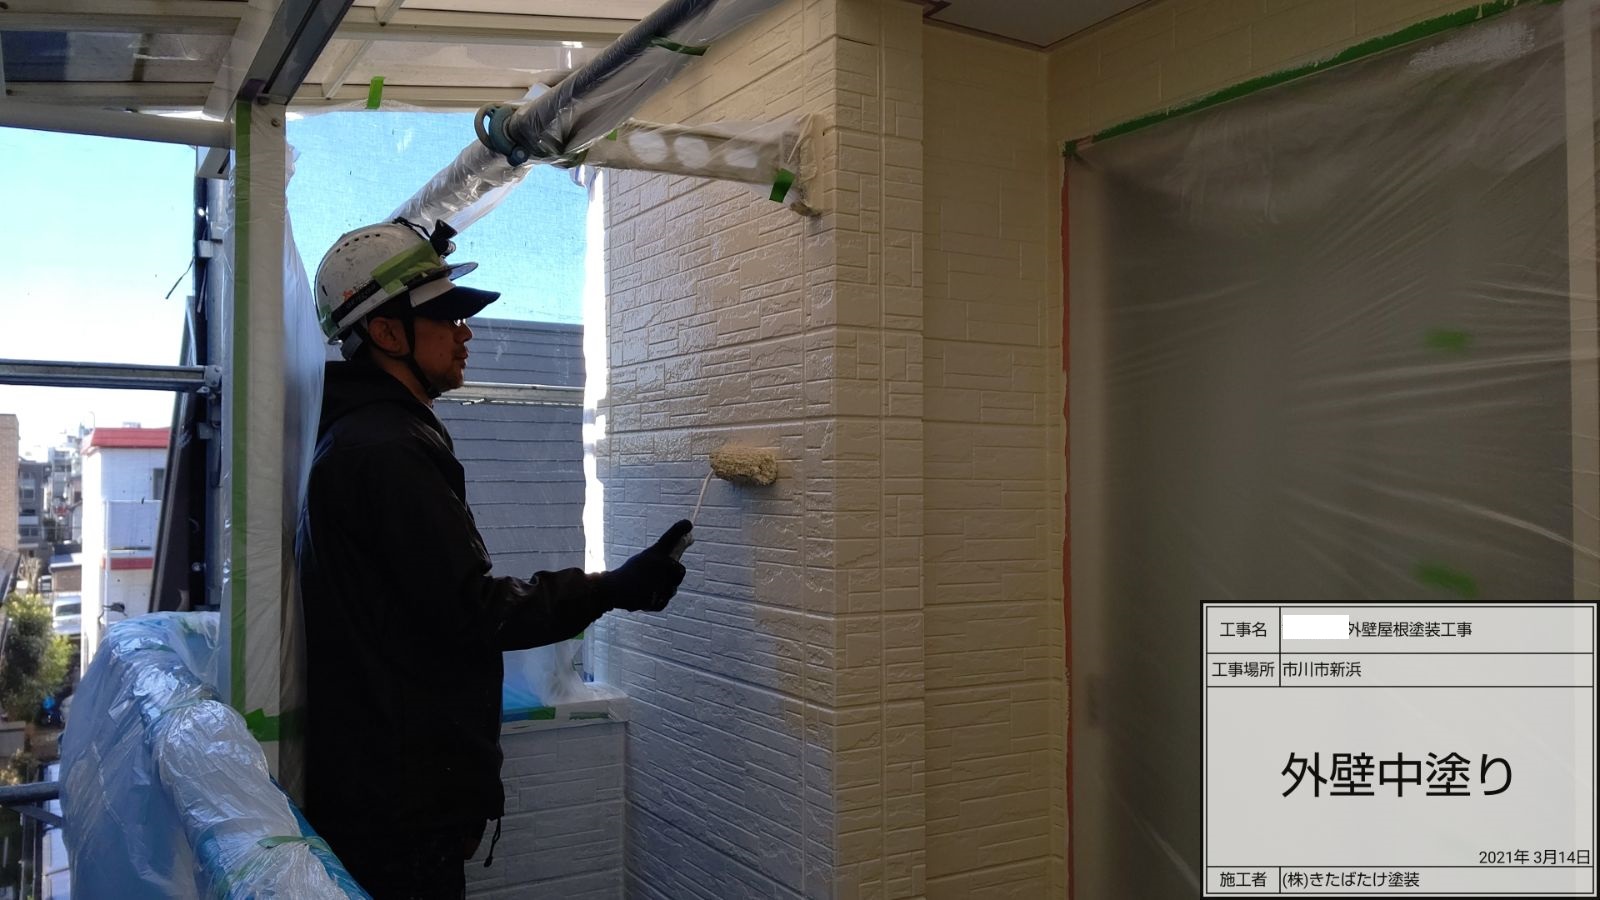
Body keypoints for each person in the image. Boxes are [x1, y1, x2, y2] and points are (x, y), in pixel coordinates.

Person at [296, 217, 691, 899]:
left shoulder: (363, 433)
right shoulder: (388, 450)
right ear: (387, 333)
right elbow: (474, 613)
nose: (466, 333)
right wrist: (614, 588)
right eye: (446, 317)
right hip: (403, 802)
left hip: (383, 784)